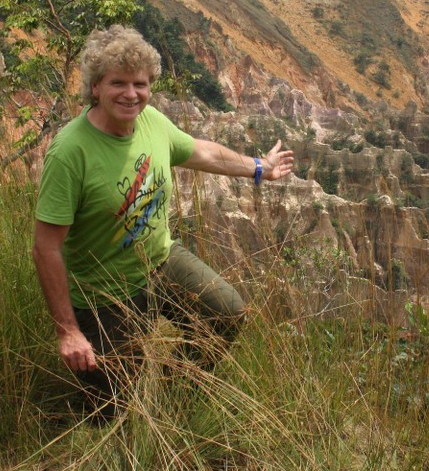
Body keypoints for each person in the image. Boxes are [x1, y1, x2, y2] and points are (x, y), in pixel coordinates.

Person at [32, 24, 294, 416]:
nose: (131, 94)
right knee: (114, 409)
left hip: (161, 262)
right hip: (105, 291)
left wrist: (259, 168)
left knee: (228, 312)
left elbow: (200, 152)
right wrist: (68, 332)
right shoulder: (70, 153)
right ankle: (117, 404)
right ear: (96, 87)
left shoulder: (152, 121)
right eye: (117, 83)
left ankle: (175, 396)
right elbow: (45, 248)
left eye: (140, 83)